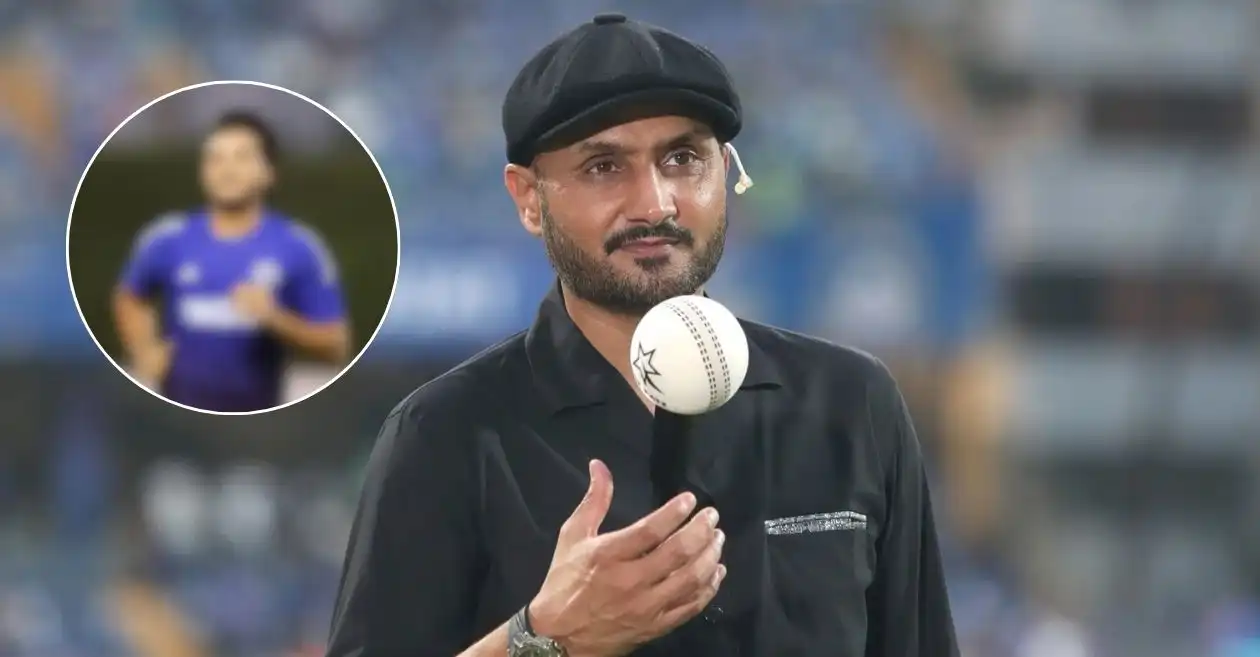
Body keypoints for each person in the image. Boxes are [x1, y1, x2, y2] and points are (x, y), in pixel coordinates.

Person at [327, 13, 958, 657]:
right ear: (529, 198)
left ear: (725, 172)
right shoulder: (443, 434)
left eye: (683, 159)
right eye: (603, 166)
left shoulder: (852, 403)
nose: (655, 204)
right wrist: (542, 639)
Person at [112, 110, 350, 413]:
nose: (227, 170)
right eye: (215, 159)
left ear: (269, 172)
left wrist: (276, 319)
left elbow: (336, 344)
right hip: (173, 414)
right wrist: (144, 347)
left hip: (259, 417)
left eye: (242, 157)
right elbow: (130, 296)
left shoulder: (299, 246)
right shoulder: (166, 237)